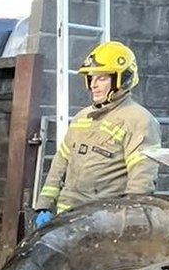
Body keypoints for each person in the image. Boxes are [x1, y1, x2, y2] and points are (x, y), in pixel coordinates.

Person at [35, 40, 160, 227]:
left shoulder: (139, 121)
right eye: (91, 78)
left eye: (101, 78)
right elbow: (59, 163)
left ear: (122, 79)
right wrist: (44, 205)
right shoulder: (81, 118)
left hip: (103, 221)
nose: (93, 85)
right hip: (65, 219)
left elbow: (142, 179)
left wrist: (128, 221)